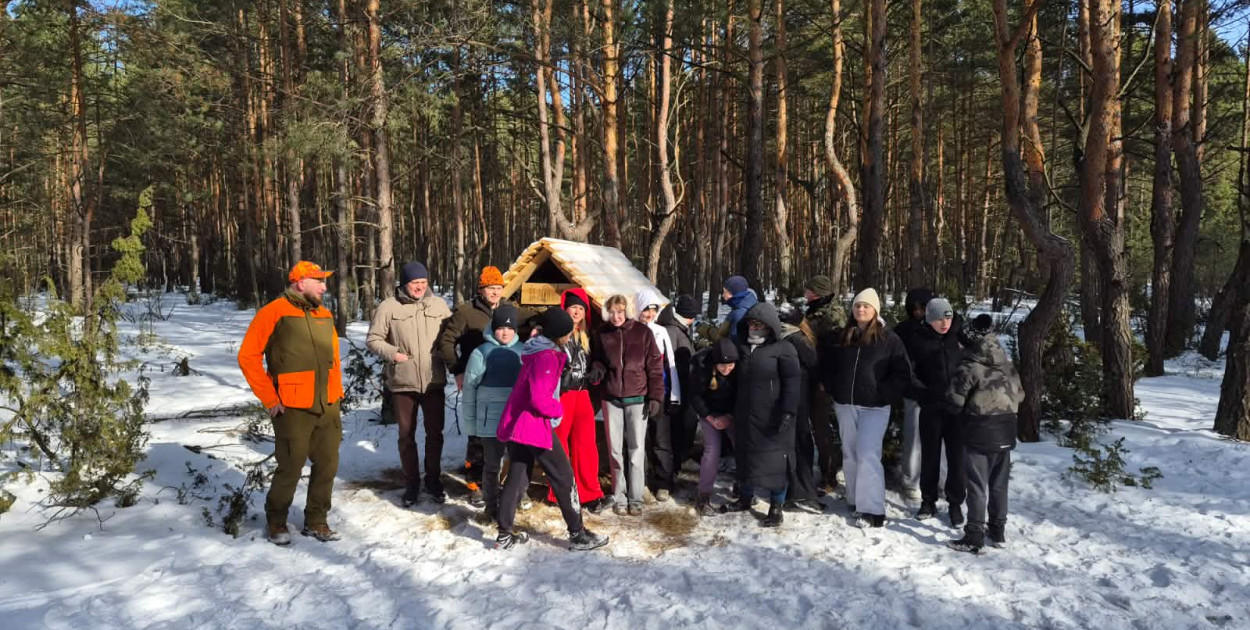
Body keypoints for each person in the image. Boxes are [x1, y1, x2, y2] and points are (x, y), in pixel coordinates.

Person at [238, 261, 345, 545]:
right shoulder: (273, 312)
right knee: (291, 465)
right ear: (300, 283)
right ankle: (276, 522)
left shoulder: (324, 314)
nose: (324, 287)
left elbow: (333, 358)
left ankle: (317, 520)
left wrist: (337, 393)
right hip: (292, 406)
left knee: (328, 465)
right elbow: (247, 356)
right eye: (318, 281)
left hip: (328, 404)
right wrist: (270, 398)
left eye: (324, 282)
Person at [494, 308, 610, 551]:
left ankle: (504, 534)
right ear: (559, 333)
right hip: (534, 425)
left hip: (519, 423)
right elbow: (539, 397)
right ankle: (577, 534)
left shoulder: (535, 348)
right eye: (568, 331)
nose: (571, 334)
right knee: (564, 476)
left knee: (517, 476)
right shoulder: (547, 356)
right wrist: (557, 410)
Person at [438, 266, 536, 503]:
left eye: (498, 288)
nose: (495, 292)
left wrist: (536, 326)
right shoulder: (466, 313)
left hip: (505, 382)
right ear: (481, 289)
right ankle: (476, 484)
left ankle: (510, 486)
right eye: (490, 288)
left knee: (509, 436)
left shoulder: (508, 310)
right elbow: (447, 341)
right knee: (478, 436)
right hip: (477, 378)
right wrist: (458, 370)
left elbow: (533, 316)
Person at [820, 288, 914, 528]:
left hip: (874, 407)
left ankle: (872, 510)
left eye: (866, 306)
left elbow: (902, 373)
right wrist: (832, 386)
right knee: (850, 453)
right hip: (845, 404)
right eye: (857, 306)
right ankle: (854, 499)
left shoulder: (888, 339)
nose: (861, 309)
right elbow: (828, 365)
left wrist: (884, 393)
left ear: (875, 310)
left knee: (868, 455)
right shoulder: (844, 336)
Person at [366, 261, 453, 506]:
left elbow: (451, 335)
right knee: (406, 436)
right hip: (403, 381)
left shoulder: (438, 305)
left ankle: (434, 481)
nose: (419, 287)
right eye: (415, 283)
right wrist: (393, 353)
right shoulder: (389, 307)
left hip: (433, 380)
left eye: (423, 282)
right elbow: (373, 339)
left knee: (435, 434)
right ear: (405, 284)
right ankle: (412, 483)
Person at [946, 314, 1024, 554]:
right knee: (999, 484)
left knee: (977, 485)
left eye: (960, 342)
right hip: (1006, 430)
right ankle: (998, 530)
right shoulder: (1006, 364)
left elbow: (954, 401)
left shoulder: (969, 366)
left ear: (969, 342)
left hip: (979, 431)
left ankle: (974, 535)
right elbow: (1020, 395)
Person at [720, 303, 801, 528]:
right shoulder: (742, 347)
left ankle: (776, 506)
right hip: (745, 413)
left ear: (770, 326)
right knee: (745, 458)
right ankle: (745, 497)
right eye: (751, 324)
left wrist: (788, 411)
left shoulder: (783, 349)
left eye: (759, 324)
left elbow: (793, 383)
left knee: (774, 460)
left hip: (773, 414)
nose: (754, 328)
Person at [589, 294, 664, 516]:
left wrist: (656, 397)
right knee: (614, 450)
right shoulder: (602, 334)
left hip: (637, 398)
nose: (616, 317)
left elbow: (655, 367)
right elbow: (597, 358)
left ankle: (636, 497)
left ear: (627, 312)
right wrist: (598, 369)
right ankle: (619, 495)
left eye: (620, 312)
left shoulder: (643, 332)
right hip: (611, 397)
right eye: (612, 312)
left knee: (636, 449)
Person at [907, 297, 967, 525]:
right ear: (929, 319)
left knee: (956, 458)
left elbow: (972, 369)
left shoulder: (960, 338)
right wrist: (922, 393)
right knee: (930, 456)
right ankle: (928, 500)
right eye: (939, 319)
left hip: (957, 409)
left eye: (948, 317)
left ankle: (955, 503)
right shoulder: (918, 340)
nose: (944, 323)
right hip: (931, 407)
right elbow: (909, 373)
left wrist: (964, 395)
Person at [461, 305, 523, 522]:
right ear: (492, 328)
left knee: (518, 463)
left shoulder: (523, 351)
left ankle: (515, 499)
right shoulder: (481, 353)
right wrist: (470, 424)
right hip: (489, 422)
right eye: (500, 328)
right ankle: (491, 505)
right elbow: (469, 389)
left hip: (516, 420)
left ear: (515, 329)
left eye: (509, 328)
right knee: (492, 465)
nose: (504, 333)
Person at [548, 288, 606, 513]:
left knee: (586, 444)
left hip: (583, 395)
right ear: (566, 308)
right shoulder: (555, 335)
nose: (577, 311)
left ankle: (589, 493)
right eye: (573, 307)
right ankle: (559, 493)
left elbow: (598, 360)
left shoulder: (588, 335)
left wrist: (597, 369)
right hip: (562, 395)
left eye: (581, 308)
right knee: (560, 445)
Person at [635, 287, 680, 501]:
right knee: (639, 441)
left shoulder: (661, 332)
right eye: (646, 310)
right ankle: (640, 481)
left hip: (659, 392)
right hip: (636, 394)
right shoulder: (631, 330)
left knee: (661, 439)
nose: (650, 314)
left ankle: (664, 482)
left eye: (653, 310)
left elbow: (670, 364)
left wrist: (674, 394)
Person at [804, 275, 846, 495]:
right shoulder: (815, 309)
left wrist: (825, 381)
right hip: (812, 375)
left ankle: (829, 475)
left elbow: (834, 353)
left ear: (818, 292)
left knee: (822, 429)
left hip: (823, 380)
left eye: (809, 289)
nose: (805, 292)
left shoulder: (832, 315)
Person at [777, 301, 821, 512]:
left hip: (796, 400)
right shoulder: (795, 339)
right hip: (796, 400)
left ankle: (801, 489)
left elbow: (814, 368)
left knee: (799, 444)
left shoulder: (797, 341)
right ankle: (800, 490)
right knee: (799, 444)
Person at [688, 338, 740, 516]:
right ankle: (704, 495)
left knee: (740, 446)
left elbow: (742, 395)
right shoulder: (702, 369)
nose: (727, 370)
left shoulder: (738, 371)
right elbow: (695, 396)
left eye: (730, 365)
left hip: (732, 412)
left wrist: (730, 416)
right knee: (712, 450)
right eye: (722, 366)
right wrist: (710, 418)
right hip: (709, 413)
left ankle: (743, 486)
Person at [893, 288, 936, 501]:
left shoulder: (940, 327)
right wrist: (915, 384)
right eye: (915, 308)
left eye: (923, 308)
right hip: (915, 392)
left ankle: (942, 480)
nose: (919, 312)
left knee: (943, 440)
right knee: (914, 438)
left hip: (939, 391)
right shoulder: (903, 330)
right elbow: (901, 361)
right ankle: (911, 480)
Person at [657, 294, 700, 494]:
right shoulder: (672, 331)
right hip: (676, 390)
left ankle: (675, 467)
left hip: (682, 388)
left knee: (682, 430)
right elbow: (674, 364)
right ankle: (670, 473)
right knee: (674, 433)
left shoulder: (677, 328)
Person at [721, 275, 758, 344]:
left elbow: (734, 341)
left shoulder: (739, 314)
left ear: (735, 293)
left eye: (726, 292)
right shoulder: (751, 303)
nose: (723, 295)